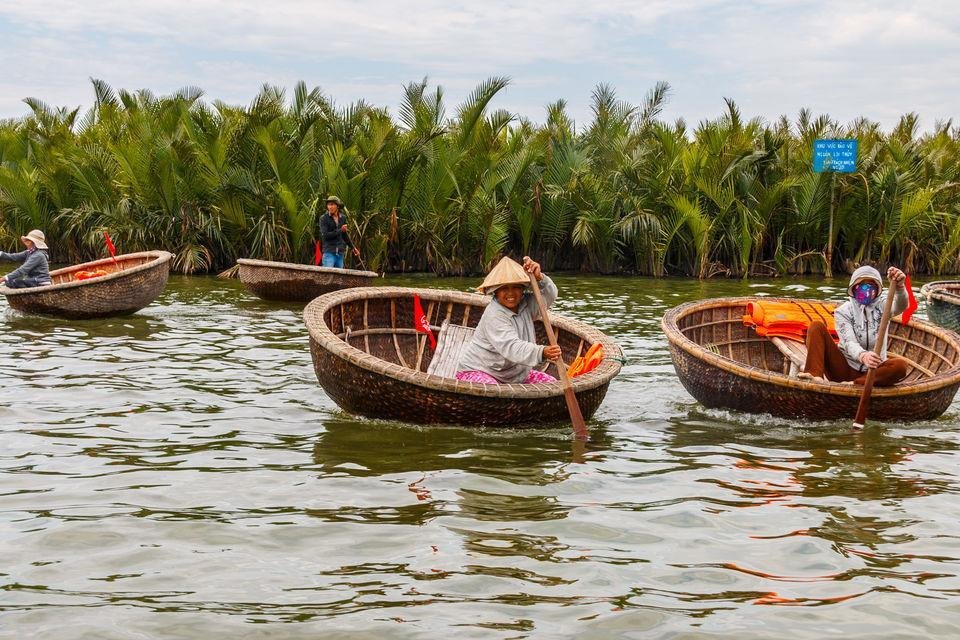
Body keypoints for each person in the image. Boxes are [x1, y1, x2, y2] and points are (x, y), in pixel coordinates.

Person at [456, 256, 561, 384]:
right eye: (504, 288)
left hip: (513, 374)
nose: (510, 293)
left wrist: (540, 278)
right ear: (496, 291)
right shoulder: (494, 315)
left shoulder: (526, 304)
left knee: (551, 383)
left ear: (522, 289)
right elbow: (511, 347)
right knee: (492, 390)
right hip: (478, 370)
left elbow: (549, 296)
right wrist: (542, 351)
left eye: (516, 287)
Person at [799, 265, 909, 386]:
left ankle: (856, 383)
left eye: (871, 286)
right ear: (854, 287)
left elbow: (901, 306)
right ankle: (813, 377)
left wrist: (900, 287)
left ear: (877, 289)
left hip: (873, 372)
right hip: (844, 368)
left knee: (901, 366)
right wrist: (863, 356)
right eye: (862, 285)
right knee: (816, 326)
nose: (866, 290)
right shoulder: (843, 311)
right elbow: (849, 342)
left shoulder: (883, 307)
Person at [317, 195, 360, 269]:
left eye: (332, 204)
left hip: (340, 253)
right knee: (328, 276)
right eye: (328, 205)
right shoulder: (323, 218)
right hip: (329, 252)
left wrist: (353, 247)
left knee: (339, 278)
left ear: (338, 206)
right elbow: (325, 235)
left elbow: (344, 235)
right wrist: (340, 230)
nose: (330, 207)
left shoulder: (342, 218)